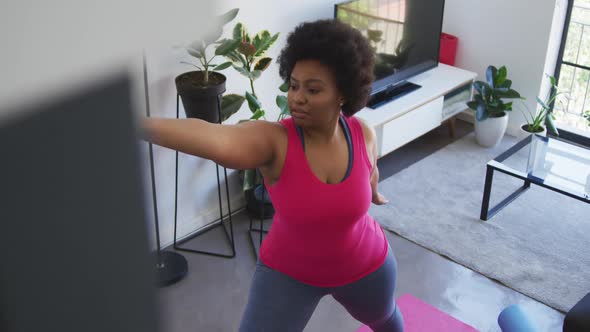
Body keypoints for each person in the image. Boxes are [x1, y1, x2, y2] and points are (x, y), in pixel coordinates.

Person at [143, 19, 404, 332]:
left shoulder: (362, 133)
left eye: (313, 89)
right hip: (289, 273)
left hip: (365, 264)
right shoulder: (274, 143)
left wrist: (373, 190)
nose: (297, 98)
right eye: (293, 85)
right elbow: (215, 137)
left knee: (386, 321)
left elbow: (370, 171)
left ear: (343, 94)